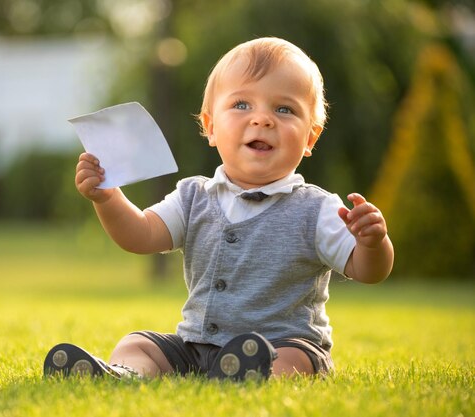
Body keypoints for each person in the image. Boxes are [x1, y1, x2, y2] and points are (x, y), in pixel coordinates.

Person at [43, 37, 394, 381]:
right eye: (242, 105)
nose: (263, 119)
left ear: (310, 139)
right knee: (137, 343)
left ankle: (259, 375)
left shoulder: (317, 209)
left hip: (281, 343)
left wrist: (372, 243)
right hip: (197, 348)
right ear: (210, 127)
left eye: (283, 109)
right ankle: (127, 375)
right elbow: (140, 234)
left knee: (295, 359)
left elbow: (367, 271)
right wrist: (108, 198)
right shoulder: (193, 196)